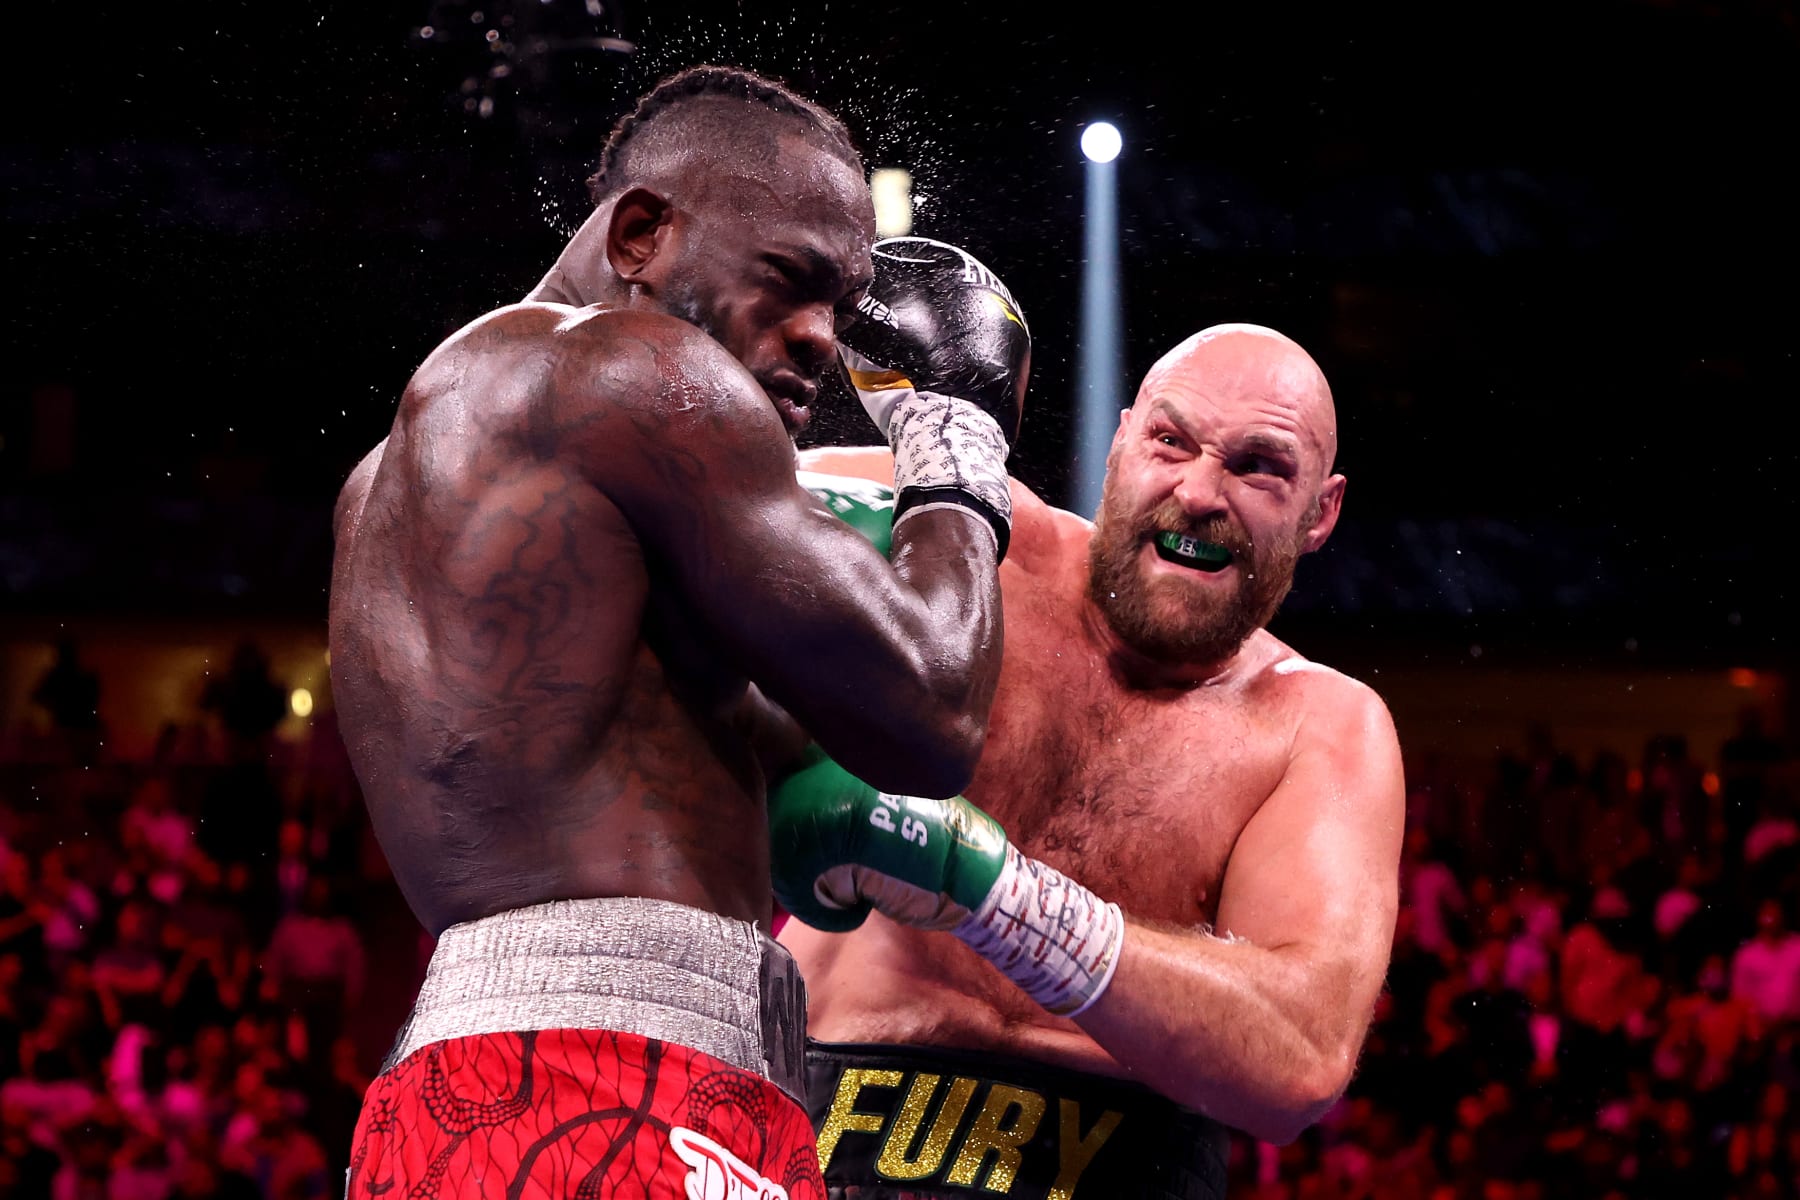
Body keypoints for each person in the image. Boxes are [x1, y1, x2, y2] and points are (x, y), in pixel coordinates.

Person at [329, 66, 1030, 1197]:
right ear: (643, 233)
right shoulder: (642, 373)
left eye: (843, 315)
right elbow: (934, 706)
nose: (819, 341)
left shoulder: (387, 484)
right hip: (621, 1087)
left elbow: (668, 744)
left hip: (455, 1094)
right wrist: (957, 449)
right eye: (790, 282)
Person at [773, 319, 1405, 1199]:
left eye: (1259, 466)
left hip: (1119, 1164)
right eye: (1170, 441)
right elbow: (673, 471)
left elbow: (1298, 1058)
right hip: (814, 1121)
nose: (1199, 492)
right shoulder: (971, 540)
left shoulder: (1319, 727)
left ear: (1320, 513)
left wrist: (988, 890)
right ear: (1119, 443)